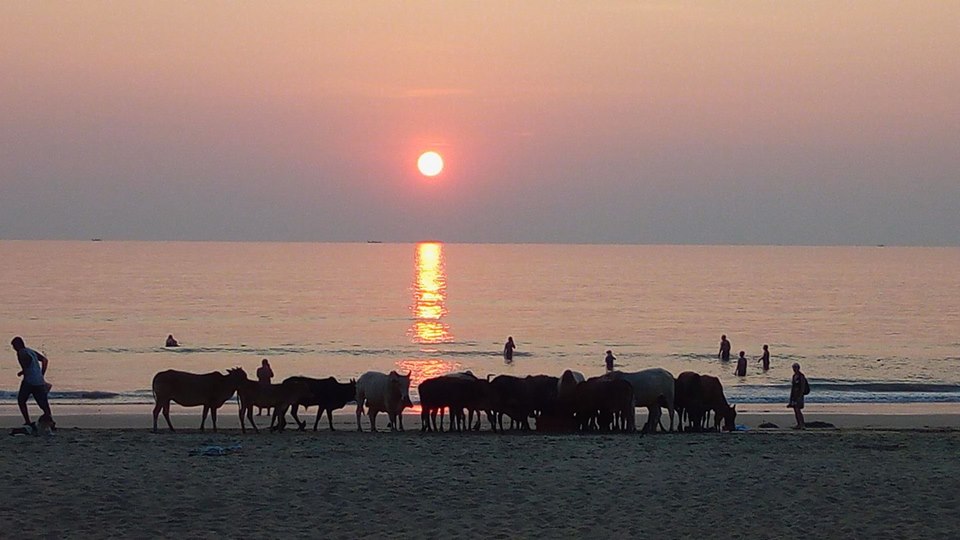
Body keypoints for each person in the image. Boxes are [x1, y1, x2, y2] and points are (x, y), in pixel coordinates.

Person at [10, 336, 54, 429]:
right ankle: (50, 422)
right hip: (39, 381)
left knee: (21, 400)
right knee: (43, 403)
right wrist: (41, 374)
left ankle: (28, 421)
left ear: (17, 346)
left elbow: (27, 364)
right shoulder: (30, 351)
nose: (13, 348)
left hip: (29, 381)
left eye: (14, 346)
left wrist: (24, 371)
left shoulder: (21, 353)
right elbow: (44, 360)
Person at [788, 362, 809, 429]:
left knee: (798, 409)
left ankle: (802, 424)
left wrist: (800, 395)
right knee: (795, 409)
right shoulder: (794, 376)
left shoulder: (801, 376)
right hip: (794, 395)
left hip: (799, 395)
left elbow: (802, 386)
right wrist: (791, 398)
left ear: (798, 368)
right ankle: (798, 424)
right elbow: (793, 387)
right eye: (793, 368)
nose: (794, 369)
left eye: (795, 368)